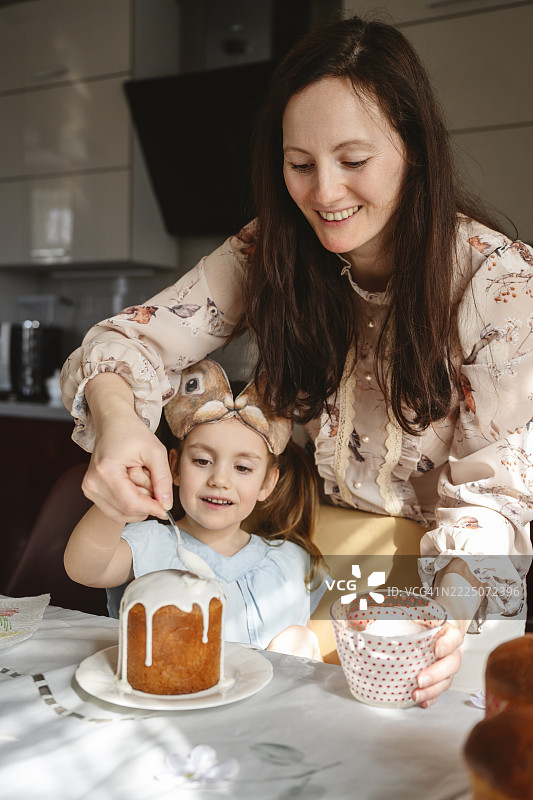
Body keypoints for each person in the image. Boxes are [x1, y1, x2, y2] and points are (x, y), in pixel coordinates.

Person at [61, 14, 533, 705]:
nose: (324, 194)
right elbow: (125, 341)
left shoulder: (498, 281)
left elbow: (494, 494)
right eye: (299, 165)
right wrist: (119, 423)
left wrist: (446, 613)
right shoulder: (270, 249)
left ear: (413, 149)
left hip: (440, 584)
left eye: (353, 160)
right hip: (305, 572)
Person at [64, 358, 326, 659]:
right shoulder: (151, 542)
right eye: (202, 461)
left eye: (242, 468)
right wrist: (116, 506)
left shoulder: (291, 561)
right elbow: (84, 569)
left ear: (267, 482)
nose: (219, 480)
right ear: (174, 467)